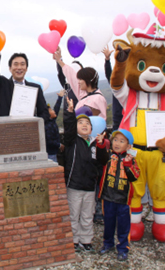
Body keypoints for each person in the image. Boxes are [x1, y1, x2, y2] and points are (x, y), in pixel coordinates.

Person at [96, 129, 140, 262]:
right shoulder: (108, 155)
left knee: (123, 224)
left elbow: (134, 177)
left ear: (128, 146)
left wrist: (127, 163)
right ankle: (108, 243)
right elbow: (100, 157)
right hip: (108, 196)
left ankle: (123, 248)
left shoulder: (132, 159)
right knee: (108, 222)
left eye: (122, 141)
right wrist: (101, 144)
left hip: (123, 199)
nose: (117, 143)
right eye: (115, 140)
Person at [63, 97, 100, 253]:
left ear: (92, 129)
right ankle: (73, 240)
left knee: (87, 215)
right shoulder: (72, 142)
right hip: (74, 185)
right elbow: (69, 128)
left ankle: (86, 240)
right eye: (81, 123)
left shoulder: (95, 144)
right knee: (73, 214)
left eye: (87, 124)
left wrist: (103, 146)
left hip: (90, 187)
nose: (84, 125)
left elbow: (101, 162)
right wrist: (70, 113)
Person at [0, 52, 49, 121]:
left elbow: (44, 113)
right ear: (10, 68)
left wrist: (34, 123)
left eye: (22, 64)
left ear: (26, 68)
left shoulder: (35, 88)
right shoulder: (3, 84)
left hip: (29, 130)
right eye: (16, 64)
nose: (19, 68)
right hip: (6, 129)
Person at [53, 47, 107, 119]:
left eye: (81, 79)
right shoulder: (83, 93)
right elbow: (70, 74)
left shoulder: (98, 99)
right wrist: (59, 60)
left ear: (88, 80)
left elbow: (99, 121)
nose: (78, 82)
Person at [102, 46, 124, 130]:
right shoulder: (116, 83)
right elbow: (109, 75)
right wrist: (107, 60)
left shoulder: (132, 83)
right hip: (118, 119)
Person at [45, 90, 65, 162]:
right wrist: (59, 145)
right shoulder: (47, 125)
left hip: (53, 152)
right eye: (50, 110)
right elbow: (49, 141)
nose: (53, 111)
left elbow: (57, 108)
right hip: (50, 153)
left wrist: (60, 97)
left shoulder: (51, 121)